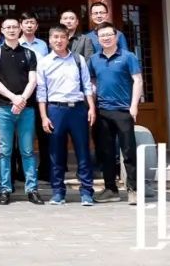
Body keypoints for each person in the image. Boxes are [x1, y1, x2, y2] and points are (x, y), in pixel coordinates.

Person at [37, 24, 96, 206]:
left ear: (68, 39)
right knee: (56, 153)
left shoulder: (78, 59)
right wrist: (44, 116)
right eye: (55, 37)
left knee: (83, 151)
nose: (59, 41)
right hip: (55, 110)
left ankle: (87, 192)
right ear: (50, 40)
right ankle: (58, 192)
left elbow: (87, 85)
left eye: (62, 37)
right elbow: (41, 92)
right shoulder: (44, 62)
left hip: (78, 109)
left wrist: (91, 107)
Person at [0, 18, 42, 205]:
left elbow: (33, 80)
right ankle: (5, 189)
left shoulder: (29, 53)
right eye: (7, 27)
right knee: (4, 151)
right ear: (1, 30)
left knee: (28, 150)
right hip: (3, 108)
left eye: (14, 27)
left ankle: (32, 189)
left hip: (26, 109)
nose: (11, 30)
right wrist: (13, 98)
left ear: (20, 30)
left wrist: (22, 99)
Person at [90, 22, 144, 205]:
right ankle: (110, 189)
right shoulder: (94, 59)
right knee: (106, 152)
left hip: (123, 111)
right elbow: (92, 82)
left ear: (116, 37)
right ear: (98, 39)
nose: (105, 38)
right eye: (102, 36)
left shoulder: (128, 57)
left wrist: (134, 106)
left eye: (109, 35)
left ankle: (133, 189)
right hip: (103, 111)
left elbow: (138, 81)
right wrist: (92, 104)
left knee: (128, 152)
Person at [19, 11, 50, 180]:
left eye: (32, 22)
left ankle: (45, 169)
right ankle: (22, 172)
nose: (29, 25)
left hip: (41, 93)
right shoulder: (16, 44)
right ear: (21, 26)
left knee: (43, 132)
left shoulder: (43, 45)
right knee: (23, 134)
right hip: (22, 94)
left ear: (36, 26)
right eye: (26, 23)